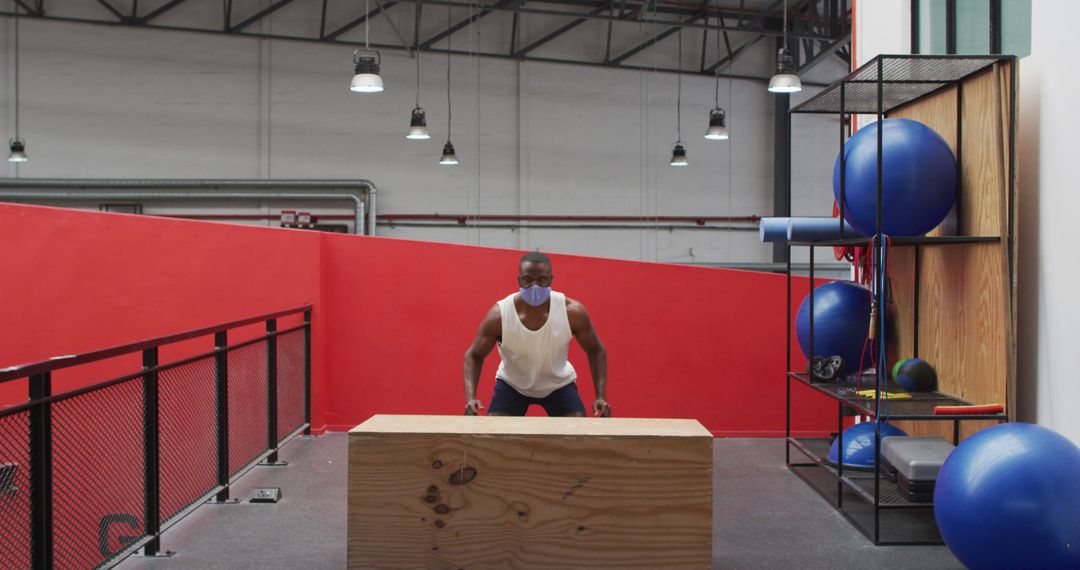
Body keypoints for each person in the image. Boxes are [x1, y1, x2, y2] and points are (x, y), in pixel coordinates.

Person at [463, 251, 610, 417]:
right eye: (528, 279)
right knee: (495, 437)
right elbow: (474, 355)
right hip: (513, 384)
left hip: (558, 384)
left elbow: (596, 350)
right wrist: (471, 398)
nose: (535, 286)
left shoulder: (571, 312)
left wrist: (600, 397)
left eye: (542, 279)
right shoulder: (500, 314)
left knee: (577, 435)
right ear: (519, 280)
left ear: (550, 280)